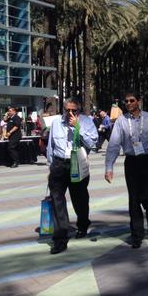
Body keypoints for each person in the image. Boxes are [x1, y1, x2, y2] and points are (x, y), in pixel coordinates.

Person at [105, 91, 148, 249]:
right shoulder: (121, 121)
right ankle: (136, 235)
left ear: (139, 101)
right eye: (126, 101)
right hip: (131, 163)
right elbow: (114, 145)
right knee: (134, 199)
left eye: (132, 100)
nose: (128, 103)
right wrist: (109, 167)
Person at [46, 98, 98, 254]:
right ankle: (60, 239)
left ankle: (83, 224)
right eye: (67, 110)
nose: (70, 113)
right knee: (57, 201)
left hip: (77, 164)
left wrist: (78, 127)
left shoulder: (87, 122)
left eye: (73, 110)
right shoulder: (56, 123)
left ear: (79, 111)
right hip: (59, 165)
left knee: (80, 198)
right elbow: (51, 145)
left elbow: (92, 143)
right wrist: (50, 166)